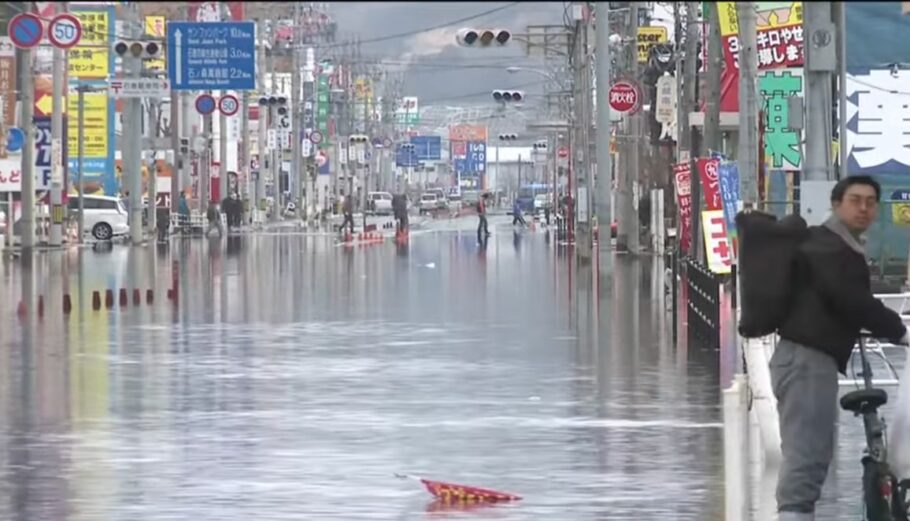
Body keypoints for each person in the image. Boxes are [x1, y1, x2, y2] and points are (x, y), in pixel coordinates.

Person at [773, 176, 909, 521]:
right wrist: (900, 332)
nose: (863, 208)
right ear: (836, 204)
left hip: (809, 358)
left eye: (870, 202)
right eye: (854, 200)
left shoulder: (837, 245)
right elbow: (853, 301)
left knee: (813, 451)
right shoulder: (830, 246)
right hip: (806, 359)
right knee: (807, 455)